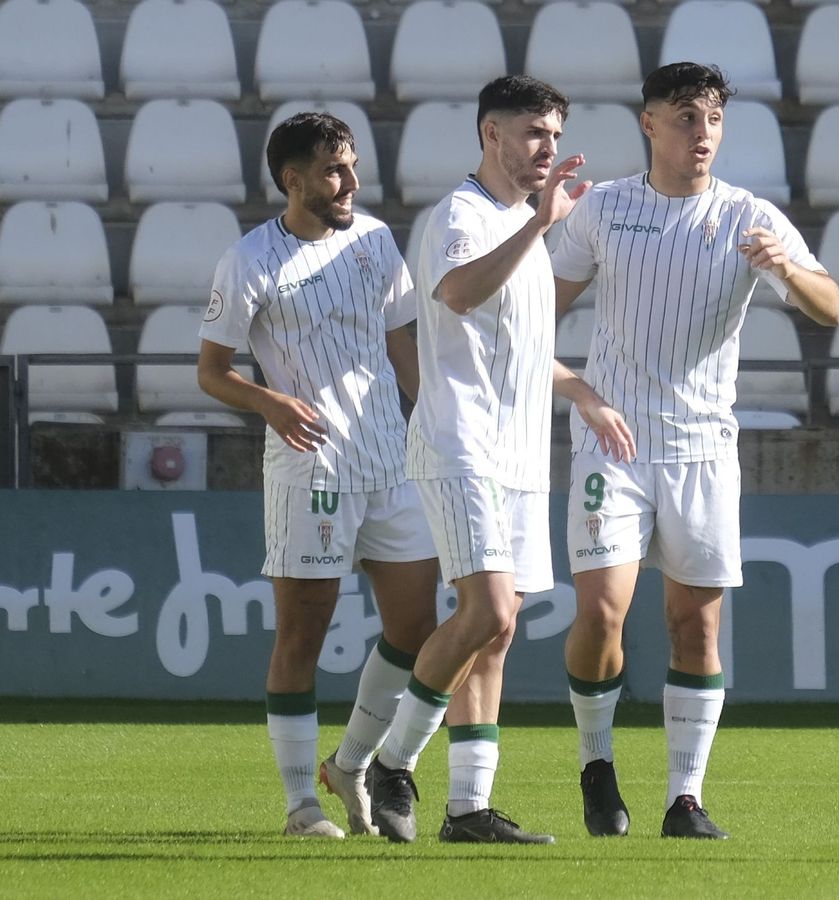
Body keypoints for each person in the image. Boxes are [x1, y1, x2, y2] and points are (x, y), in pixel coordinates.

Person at [549, 62, 839, 840]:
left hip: (703, 450)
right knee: (603, 612)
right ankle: (595, 761)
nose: (702, 134)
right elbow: (530, 318)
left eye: (712, 119)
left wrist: (784, 268)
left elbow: (832, 307)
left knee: (696, 628)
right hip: (611, 440)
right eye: (686, 117)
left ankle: (685, 797)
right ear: (648, 123)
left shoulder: (750, 217)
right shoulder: (604, 210)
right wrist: (576, 391)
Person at [361, 75, 635, 845]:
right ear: (491, 134)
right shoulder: (464, 215)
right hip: (460, 444)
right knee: (489, 610)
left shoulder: (526, 225)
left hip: (518, 455)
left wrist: (583, 392)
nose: (546, 147)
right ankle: (392, 761)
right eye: (533, 133)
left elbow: (526, 348)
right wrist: (539, 227)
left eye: (554, 134)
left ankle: (468, 808)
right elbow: (455, 293)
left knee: (499, 633)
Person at [197, 112, 440, 839]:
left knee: (417, 625)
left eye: (353, 166)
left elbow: (403, 350)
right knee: (303, 632)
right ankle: (302, 802)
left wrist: (440, 428)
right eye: (335, 170)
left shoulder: (374, 241)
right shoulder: (249, 260)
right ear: (293, 178)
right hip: (311, 465)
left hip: (391, 460)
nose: (351, 183)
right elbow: (212, 373)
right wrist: (267, 399)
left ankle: (352, 762)